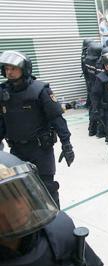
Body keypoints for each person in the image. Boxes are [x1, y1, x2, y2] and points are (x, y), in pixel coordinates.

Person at [0, 50, 74, 207]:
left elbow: (57, 118)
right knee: (22, 189)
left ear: (24, 69)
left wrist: (66, 144)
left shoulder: (40, 90)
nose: (9, 72)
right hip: (17, 150)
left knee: (47, 187)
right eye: (6, 68)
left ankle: (55, 221)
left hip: (40, 149)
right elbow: (2, 122)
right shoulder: (2, 92)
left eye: (13, 68)